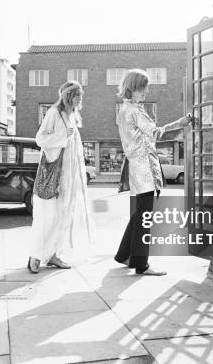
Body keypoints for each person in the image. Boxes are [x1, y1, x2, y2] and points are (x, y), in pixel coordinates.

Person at [114, 69, 192, 276]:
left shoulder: (125, 109)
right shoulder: (135, 111)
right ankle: (141, 264)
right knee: (144, 216)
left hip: (137, 167)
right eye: (144, 87)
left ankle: (123, 255)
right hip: (145, 169)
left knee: (139, 214)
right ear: (134, 88)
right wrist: (180, 123)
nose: (147, 91)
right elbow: (155, 132)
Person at [28, 81, 95, 273]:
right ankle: (36, 255)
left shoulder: (71, 115)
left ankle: (53, 254)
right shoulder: (54, 113)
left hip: (68, 175)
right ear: (69, 95)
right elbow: (41, 139)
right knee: (47, 216)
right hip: (55, 174)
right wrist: (63, 137)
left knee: (62, 216)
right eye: (78, 95)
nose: (81, 99)